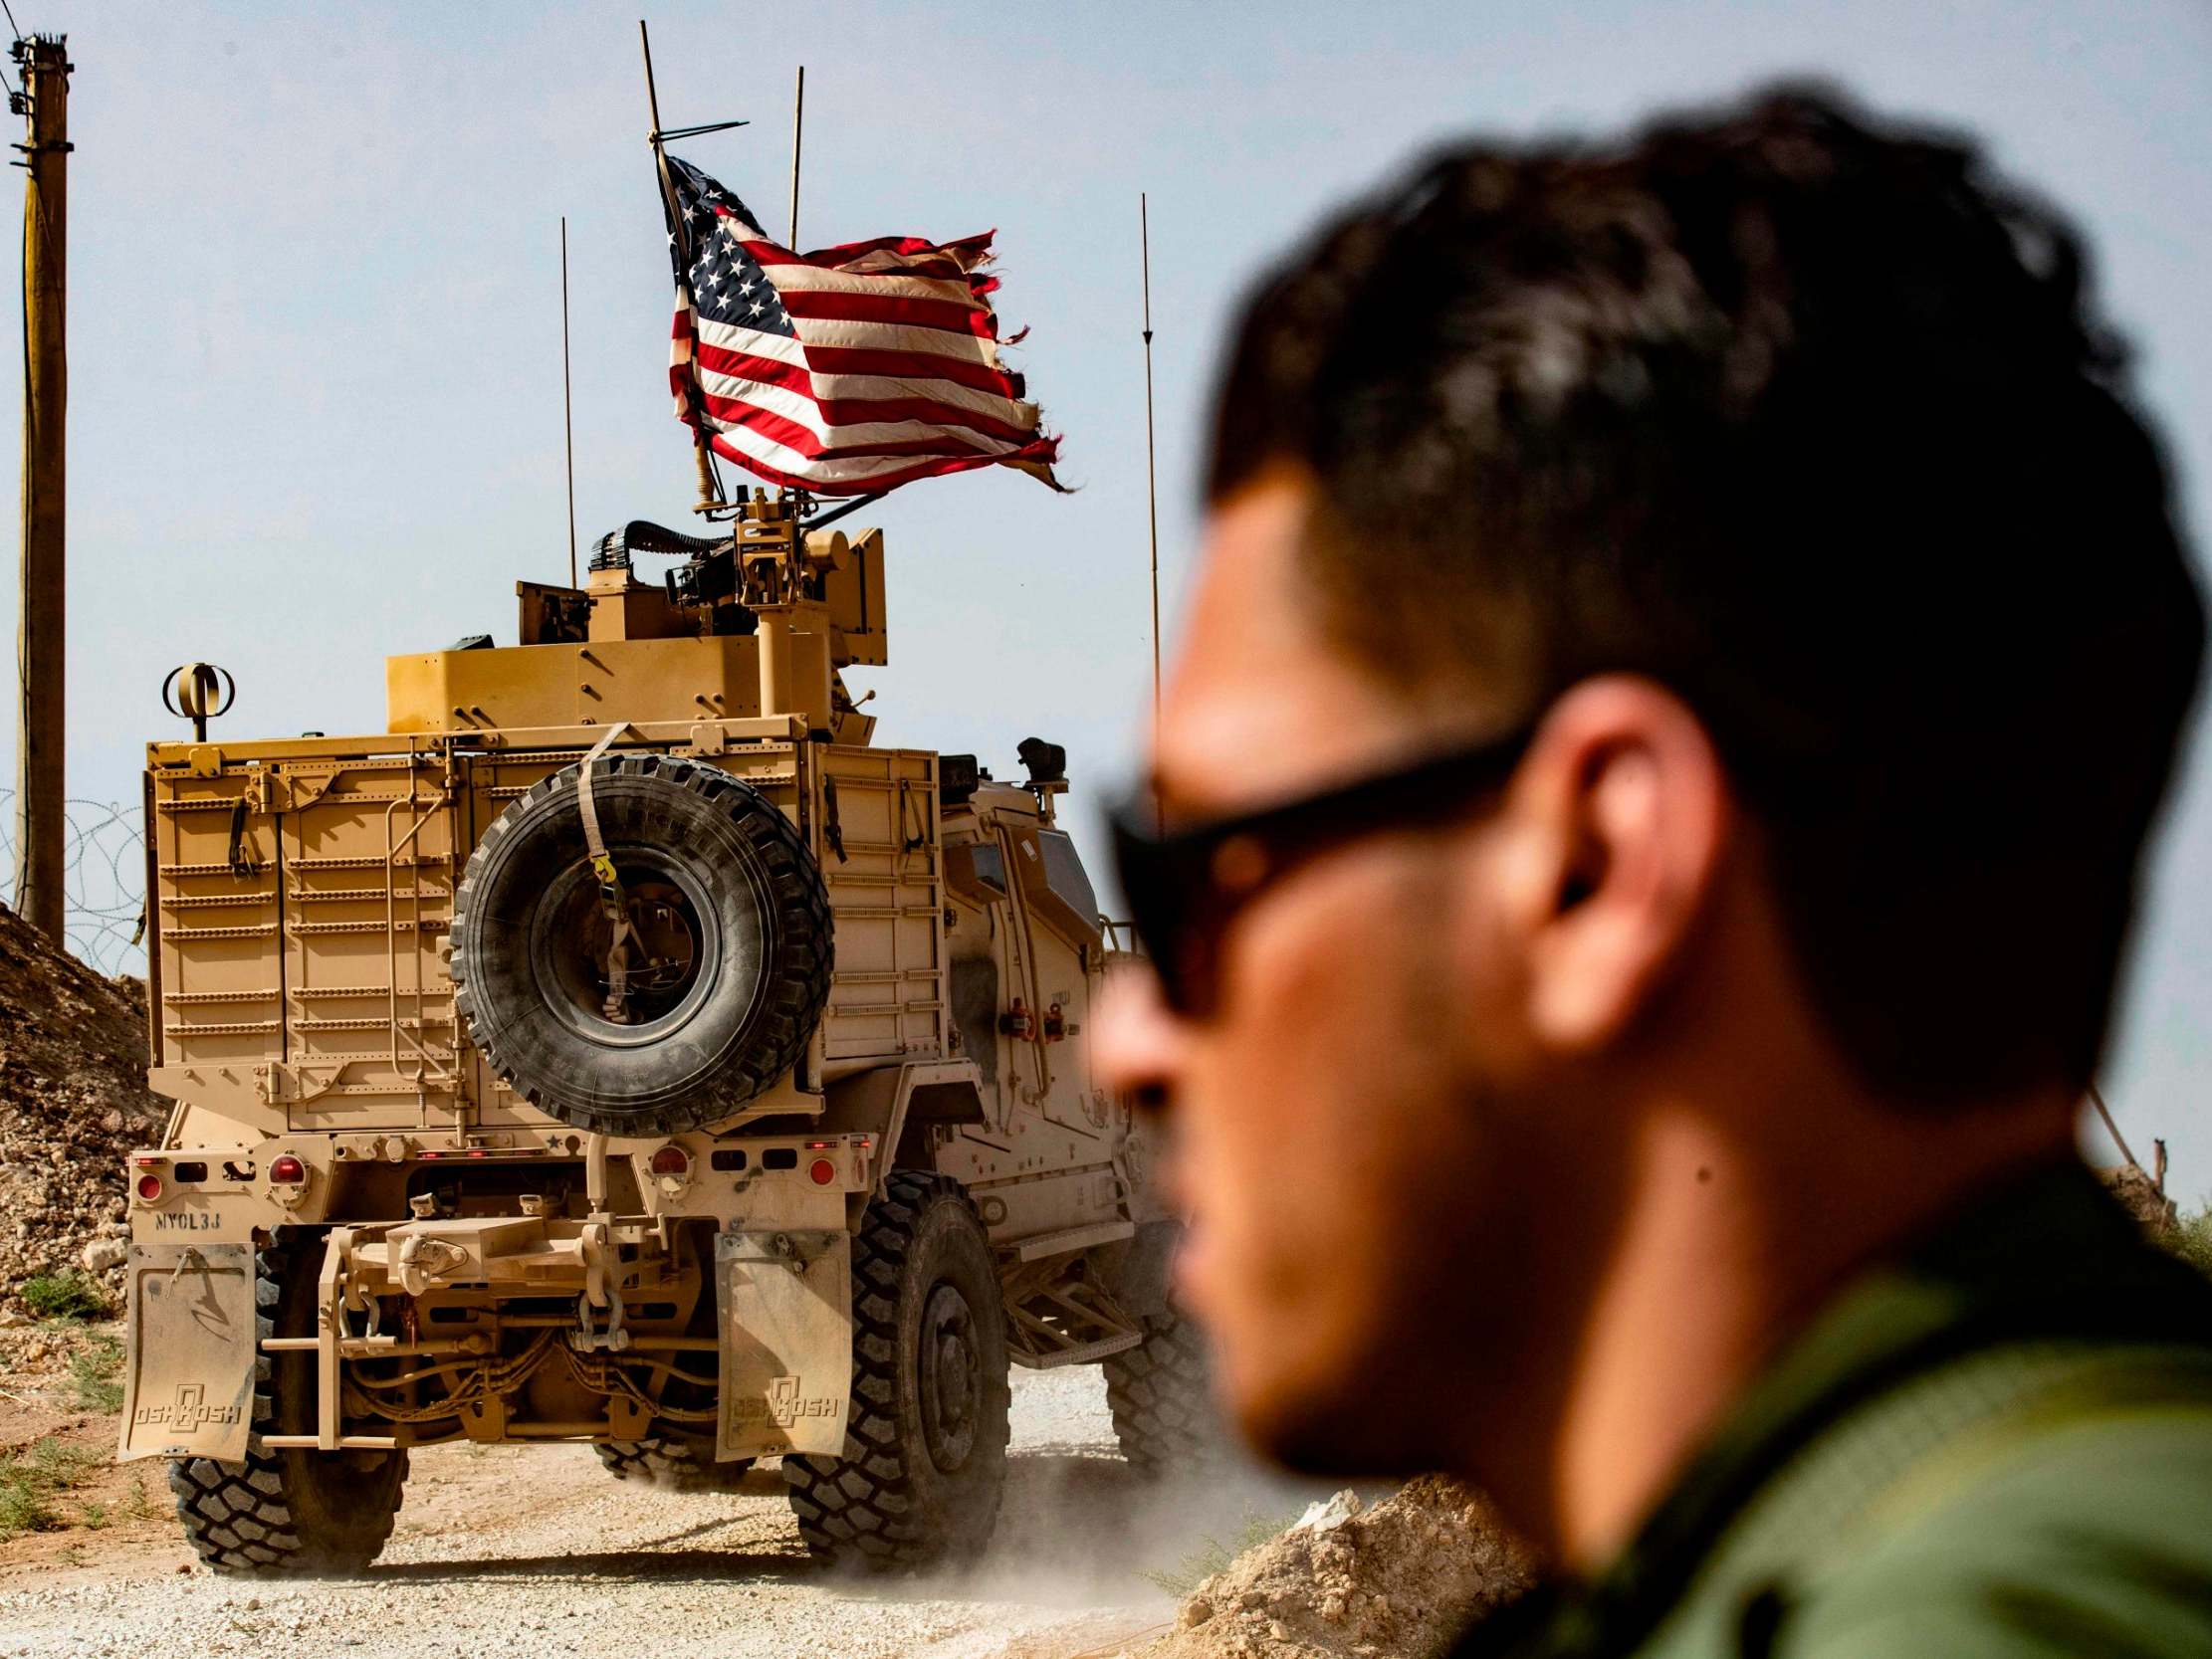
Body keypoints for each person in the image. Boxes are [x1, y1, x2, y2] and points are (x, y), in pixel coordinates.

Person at [1096, 84, 2212, 1657]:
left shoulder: (2002, 1609)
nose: (1125, 1035)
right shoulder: (1912, 1528)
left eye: (1198, 873)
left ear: (1600, 865)